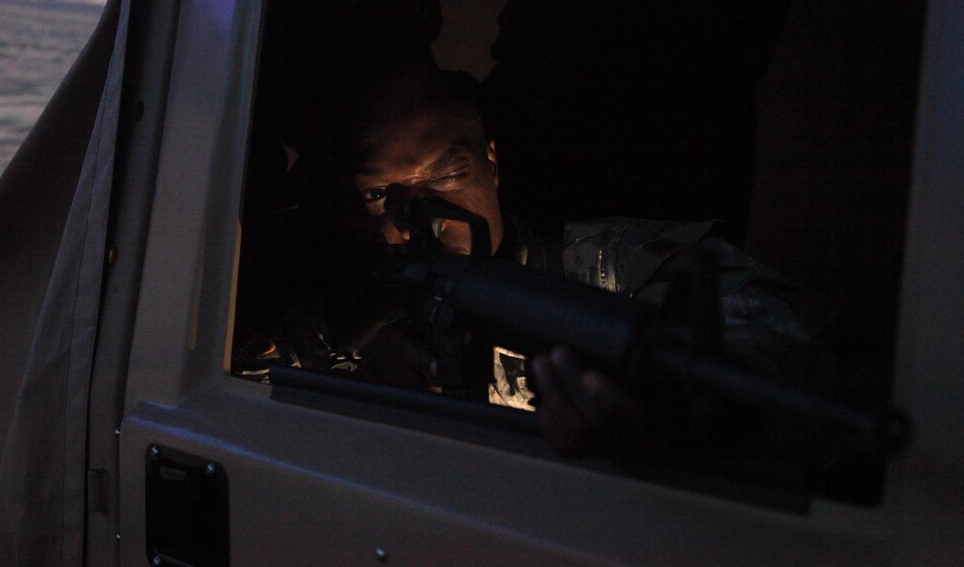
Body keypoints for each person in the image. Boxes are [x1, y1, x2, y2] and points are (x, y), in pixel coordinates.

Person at [337, 64, 819, 456]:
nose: (422, 223)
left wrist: (669, 410)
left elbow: (776, 352)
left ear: (492, 164)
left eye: (447, 177)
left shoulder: (610, 264)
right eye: (380, 195)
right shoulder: (365, 313)